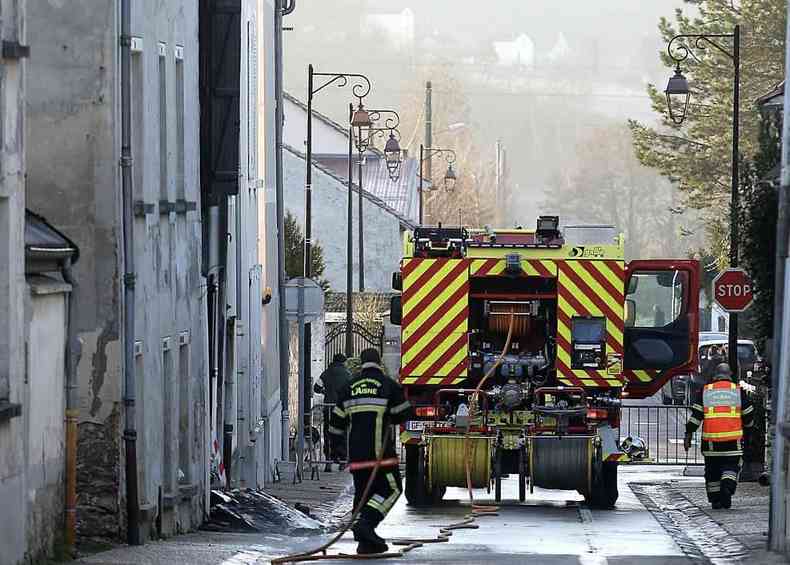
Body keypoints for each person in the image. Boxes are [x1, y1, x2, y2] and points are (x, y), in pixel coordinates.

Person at [328, 348, 412, 555]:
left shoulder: (348, 388)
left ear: (362, 363)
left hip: (356, 457)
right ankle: (366, 524)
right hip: (380, 457)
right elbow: (404, 413)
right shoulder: (387, 385)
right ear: (379, 362)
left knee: (363, 495)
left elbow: (335, 425)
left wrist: (337, 448)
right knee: (392, 490)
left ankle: (365, 542)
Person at [684, 362, 754, 509]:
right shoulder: (737, 391)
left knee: (712, 471)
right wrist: (748, 429)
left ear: (715, 375)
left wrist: (688, 434)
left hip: (711, 443)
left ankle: (715, 500)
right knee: (731, 467)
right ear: (730, 376)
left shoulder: (706, 391)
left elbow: (696, 417)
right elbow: (748, 415)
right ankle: (727, 488)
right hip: (733, 442)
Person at [315, 353, 351, 471]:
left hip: (328, 408)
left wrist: (325, 391)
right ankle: (342, 460)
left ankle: (328, 461)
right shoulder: (347, 374)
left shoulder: (326, 373)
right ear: (343, 362)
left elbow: (316, 387)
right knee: (342, 434)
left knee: (328, 433)